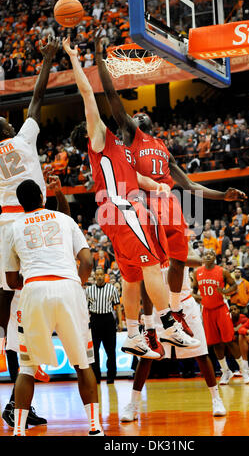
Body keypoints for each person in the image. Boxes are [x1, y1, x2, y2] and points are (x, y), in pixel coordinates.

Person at [95, 34, 246, 345]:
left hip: (168, 202)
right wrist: (100, 63)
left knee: (177, 258)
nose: (137, 116)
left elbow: (189, 184)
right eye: (133, 117)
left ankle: (174, 312)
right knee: (149, 266)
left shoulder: (163, 148)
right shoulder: (130, 136)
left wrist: (223, 196)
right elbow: (112, 100)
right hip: (140, 205)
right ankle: (150, 327)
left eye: (140, 116)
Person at [62, 37, 199, 359]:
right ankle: (169, 325)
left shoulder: (116, 151)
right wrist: (75, 58)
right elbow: (87, 94)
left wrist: (158, 186)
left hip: (115, 212)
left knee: (132, 276)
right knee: (153, 265)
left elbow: (135, 176)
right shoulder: (99, 138)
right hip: (124, 208)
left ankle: (135, 334)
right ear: (87, 133)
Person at [4, 179, 104, 437]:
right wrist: (74, 283)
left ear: (20, 203)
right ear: (41, 195)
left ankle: (17, 431)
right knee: (83, 364)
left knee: (26, 367)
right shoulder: (64, 219)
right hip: (69, 288)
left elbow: (12, 281)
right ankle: (95, 428)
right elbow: (87, 261)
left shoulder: (13, 228)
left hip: (34, 290)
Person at [0, 35, 59, 429]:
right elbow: (37, 96)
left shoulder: (18, 139)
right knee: (19, 318)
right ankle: (18, 392)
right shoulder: (22, 138)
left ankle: (18, 394)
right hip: (25, 226)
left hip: (7, 229)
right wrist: (49, 56)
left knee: (12, 317)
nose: (7, 116)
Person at [120, 248, 226, 421]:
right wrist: (148, 321)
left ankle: (216, 399)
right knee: (146, 356)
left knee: (201, 354)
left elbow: (198, 261)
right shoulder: (147, 244)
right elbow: (144, 288)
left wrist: (172, 256)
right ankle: (133, 404)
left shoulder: (177, 240)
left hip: (184, 305)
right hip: (158, 308)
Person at [194, 249, 249, 385]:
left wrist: (225, 291)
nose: (208, 255)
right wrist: (197, 298)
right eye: (206, 254)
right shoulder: (197, 272)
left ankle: (244, 369)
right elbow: (194, 291)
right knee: (215, 343)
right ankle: (225, 371)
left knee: (229, 340)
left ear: (215, 257)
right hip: (207, 311)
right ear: (202, 258)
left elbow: (234, 287)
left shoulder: (222, 271)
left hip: (221, 309)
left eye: (211, 254)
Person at [86, 266, 123, 384]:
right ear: (94, 276)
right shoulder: (88, 290)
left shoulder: (112, 289)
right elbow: (84, 309)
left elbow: (117, 306)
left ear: (104, 275)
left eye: (101, 274)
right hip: (95, 320)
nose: (99, 276)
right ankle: (96, 377)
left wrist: (120, 322)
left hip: (108, 320)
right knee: (94, 351)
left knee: (111, 351)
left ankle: (111, 377)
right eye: (97, 275)